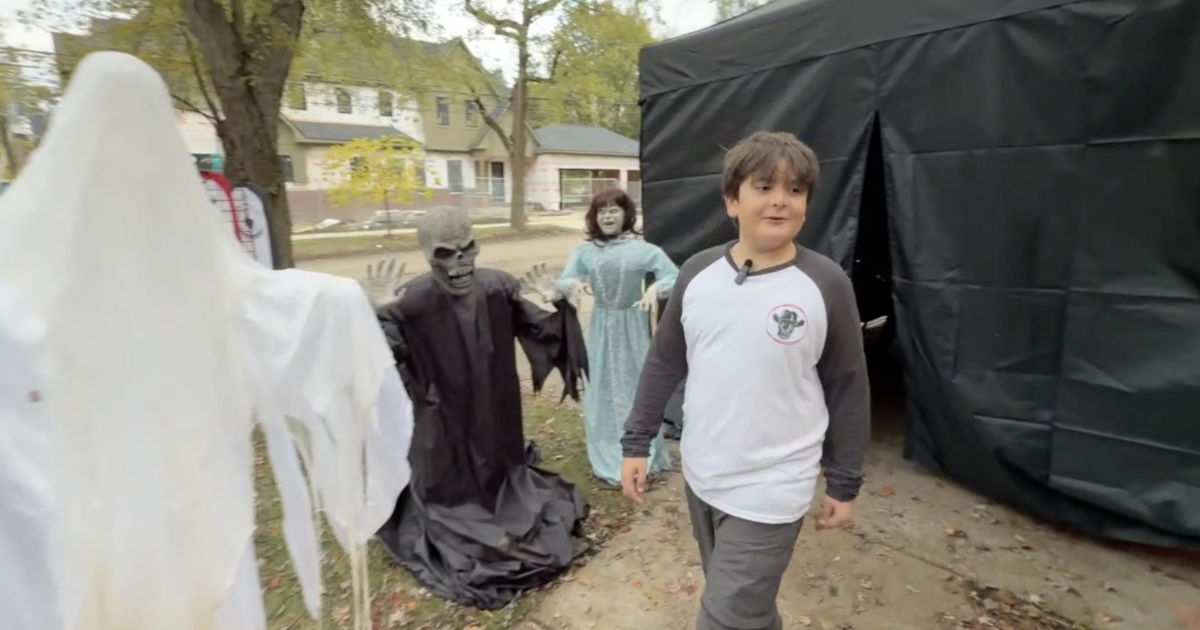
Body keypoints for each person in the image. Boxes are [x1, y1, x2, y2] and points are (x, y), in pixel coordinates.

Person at [0, 52, 414, 630]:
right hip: (143, 532)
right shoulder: (186, 284)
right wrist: (343, 305)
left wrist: (351, 304)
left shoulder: (33, 290)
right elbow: (280, 312)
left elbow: (275, 308)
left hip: (129, 533)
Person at [620, 130, 871, 630]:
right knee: (743, 609)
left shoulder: (825, 284)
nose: (780, 200)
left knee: (724, 618)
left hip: (773, 486)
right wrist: (636, 441)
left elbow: (848, 385)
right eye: (764, 186)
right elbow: (665, 361)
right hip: (703, 475)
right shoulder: (697, 273)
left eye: (795, 190)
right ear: (732, 201)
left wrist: (844, 480)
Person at [374, 207, 590, 611]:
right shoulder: (413, 300)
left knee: (496, 464)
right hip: (442, 413)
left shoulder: (497, 288)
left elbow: (543, 332)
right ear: (428, 255)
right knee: (448, 480)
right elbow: (386, 360)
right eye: (445, 253)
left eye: (467, 249)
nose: (459, 264)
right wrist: (384, 315)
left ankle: (495, 497)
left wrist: (559, 303)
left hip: (494, 406)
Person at [523, 188, 679, 485]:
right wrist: (561, 289)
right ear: (594, 217)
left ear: (626, 214)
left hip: (632, 325)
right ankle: (608, 451)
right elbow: (568, 278)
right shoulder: (585, 252)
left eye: (613, 210)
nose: (607, 216)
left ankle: (641, 451)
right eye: (601, 211)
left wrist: (655, 288)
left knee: (637, 385)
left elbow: (673, 275)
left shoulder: (642, 250)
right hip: (601, 326)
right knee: (601, 386)